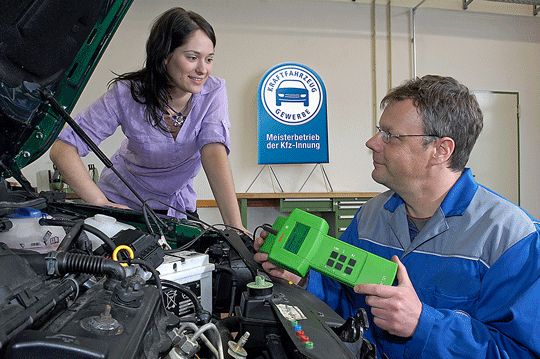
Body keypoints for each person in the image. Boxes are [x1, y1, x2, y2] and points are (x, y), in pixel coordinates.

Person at [254, 75, 540, 358]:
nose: (372, 142)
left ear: (441, 150)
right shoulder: (370, 216)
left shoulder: (510, 237)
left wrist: (422, 323)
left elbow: (520, 351)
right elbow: (345, 301)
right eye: (379, 131)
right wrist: (302, 280)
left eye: (390, 136)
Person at [50, 7, 245, 231]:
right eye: (192, 57)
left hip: (177, 210)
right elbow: (63, 147)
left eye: (209, 59)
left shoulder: (213, 92)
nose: (203, 69)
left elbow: (213, 150)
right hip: (124, 208)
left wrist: (235, 226)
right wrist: (100, 203)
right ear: (164, 56)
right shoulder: (126, 93)